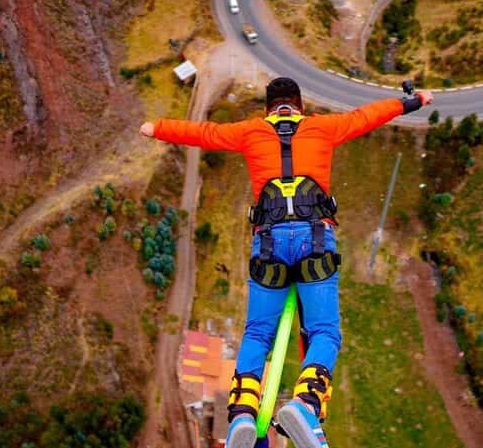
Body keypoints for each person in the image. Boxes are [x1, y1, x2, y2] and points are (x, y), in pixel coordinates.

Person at [140, 77, 433, 448]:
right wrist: (414, 101)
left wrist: (156, 128)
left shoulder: (249, 131)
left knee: (258, 334)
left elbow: (203, 133)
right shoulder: (323, 127)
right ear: (299, 106)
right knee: (324, 332)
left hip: (268, 245)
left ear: (268, 109)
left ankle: (242, 415)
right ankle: (306, 404)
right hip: (315, 241)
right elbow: (368, 116)